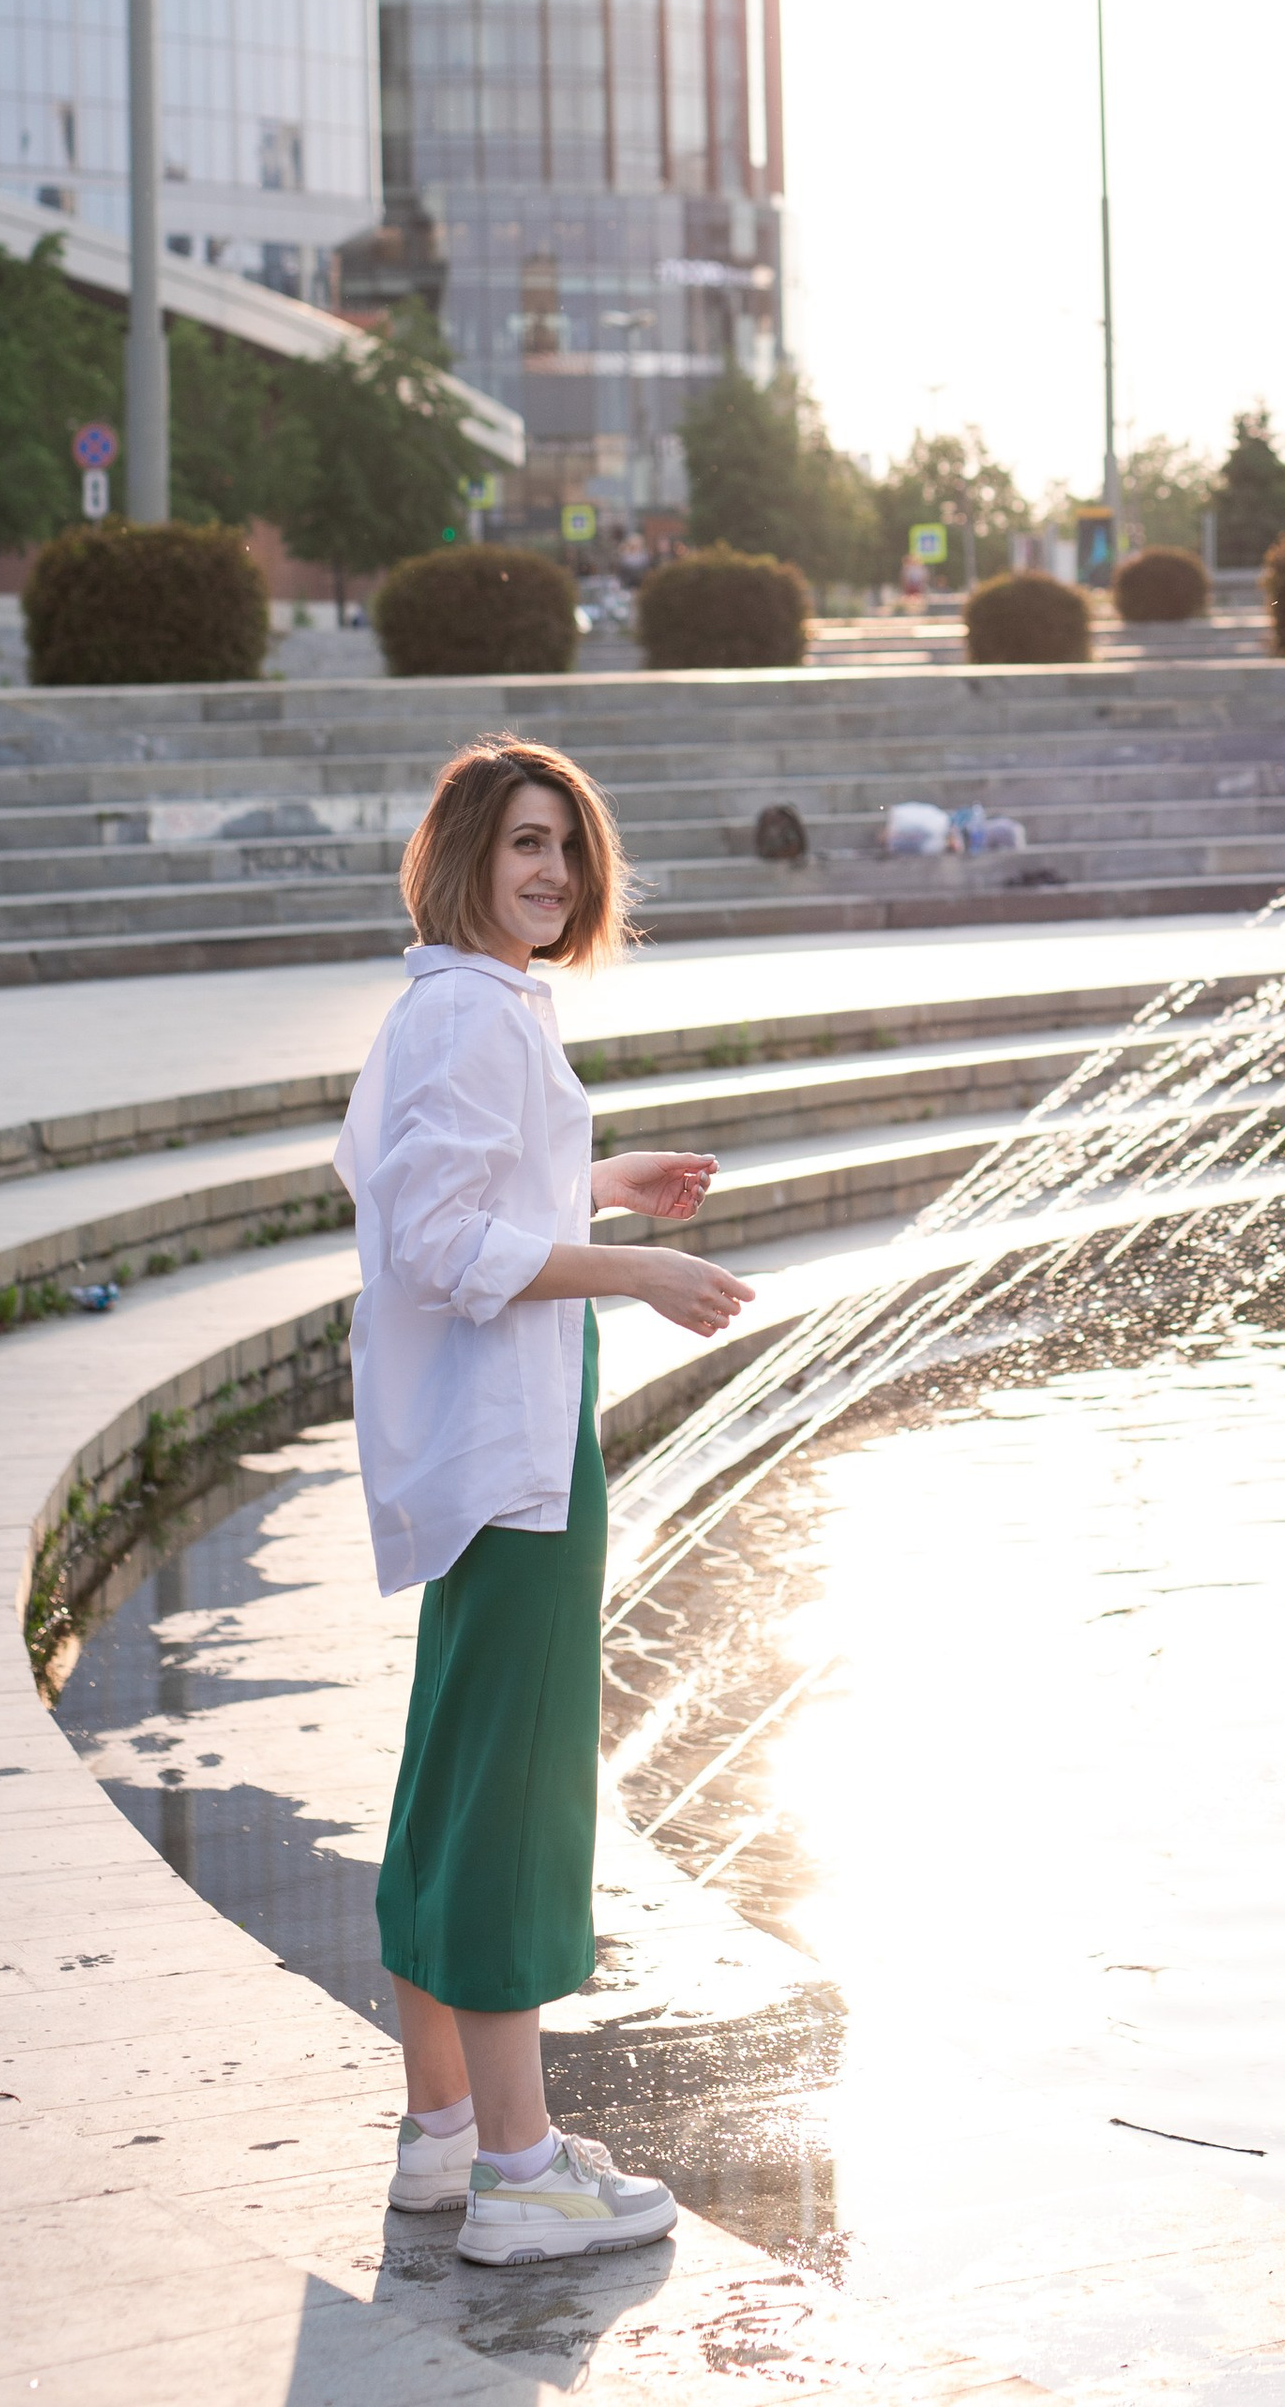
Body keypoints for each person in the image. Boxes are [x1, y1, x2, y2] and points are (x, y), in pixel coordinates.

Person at [334, 734, 757, 2265]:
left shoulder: (455, 1004)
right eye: (523, 844)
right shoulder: (471, 1016)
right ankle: (524, 2176)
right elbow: (446, 1244)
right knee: (513, 1795)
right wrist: (635, 1272)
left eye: (567, 849)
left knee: (454, 1773)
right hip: (514, 1463)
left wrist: (607, 1178)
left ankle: (445, 2135)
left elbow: (454, 1203)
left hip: (482, 1453)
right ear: (460, 853)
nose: (551, 875)